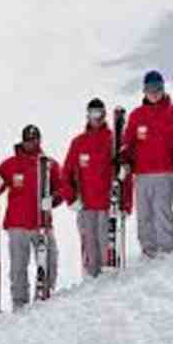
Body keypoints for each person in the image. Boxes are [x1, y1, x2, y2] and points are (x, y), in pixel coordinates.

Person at [120, 70, 173, 258]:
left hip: (165, 171)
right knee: (144, 214)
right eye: (150, 88)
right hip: (142, 173)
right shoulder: (137, 115)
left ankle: (167, 249)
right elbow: (127, 142)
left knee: (162, 210)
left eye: (157, 88)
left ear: (163, 89)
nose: (154, 92)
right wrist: (124, 157)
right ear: (144, 90)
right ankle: (148, 251)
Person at [0, 125, 62, 309]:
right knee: (18, 265)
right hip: (18, 224)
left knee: (50, 258)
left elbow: (62, 188)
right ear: (22, 141)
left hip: (41, 222)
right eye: (28, 140)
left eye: (35, 139)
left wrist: (53, 199)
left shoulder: (49, 164)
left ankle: (46, 293)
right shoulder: (10, 164)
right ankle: (19, 302)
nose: (31, 143)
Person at [61, 98, 133, 277]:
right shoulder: (78, 142)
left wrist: (125, 204)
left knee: (106, 247)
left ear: (104, 114)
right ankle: (91, 282)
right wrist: (71, 199)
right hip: (86, 206)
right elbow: (65, 174)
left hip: (108, 206)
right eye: (93, 113)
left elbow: (127, 173)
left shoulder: (114, 139)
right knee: (90, 248)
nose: (96, 117)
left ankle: (109, 281)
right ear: (87, 115)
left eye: (99, 113)